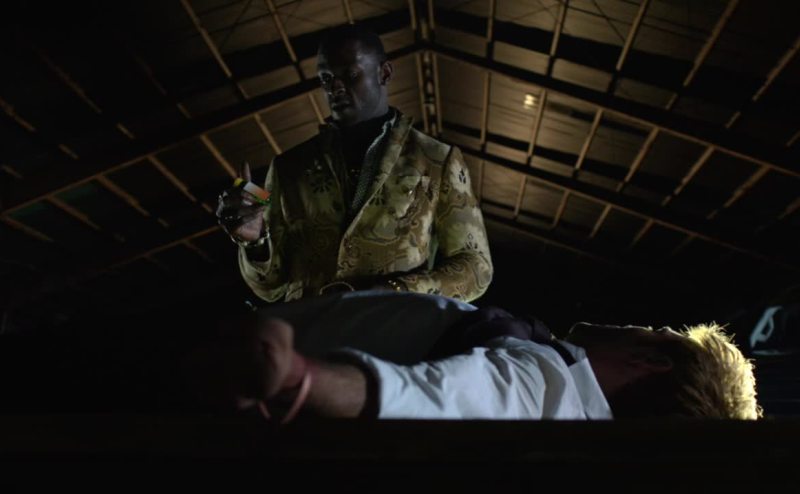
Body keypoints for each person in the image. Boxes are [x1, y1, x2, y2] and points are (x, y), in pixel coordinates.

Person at [216, 24, 493, 303]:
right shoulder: (288, 168)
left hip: (398, 325)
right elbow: (270, 287)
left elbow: (476, 267)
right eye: (326, 78)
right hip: (311, 327)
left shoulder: (437, 159)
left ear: (385, 73)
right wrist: (255, 241)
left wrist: (398, 291)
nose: (335, 87)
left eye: (350, 74)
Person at [186, 291, 762, 421]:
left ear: (651, 361)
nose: (637, 324)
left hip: (209, 369)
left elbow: (434, 399)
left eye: (656, 331)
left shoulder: (545, 385)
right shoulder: (555, 378)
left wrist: (298, 377)